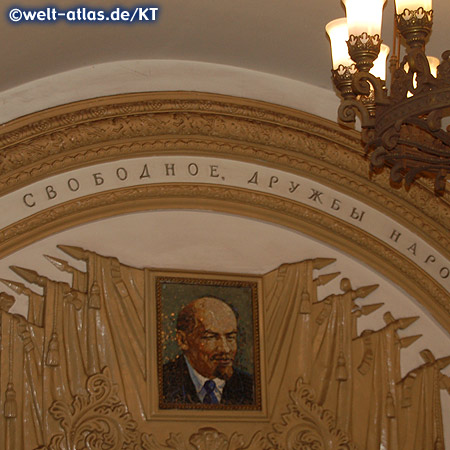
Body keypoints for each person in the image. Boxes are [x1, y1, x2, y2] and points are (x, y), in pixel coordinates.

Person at [162, 296, 254, 406]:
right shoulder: (160, 383)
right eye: (210, 337)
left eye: (230, 337)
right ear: (183, 340)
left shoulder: (252, 387)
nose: (225, 349)